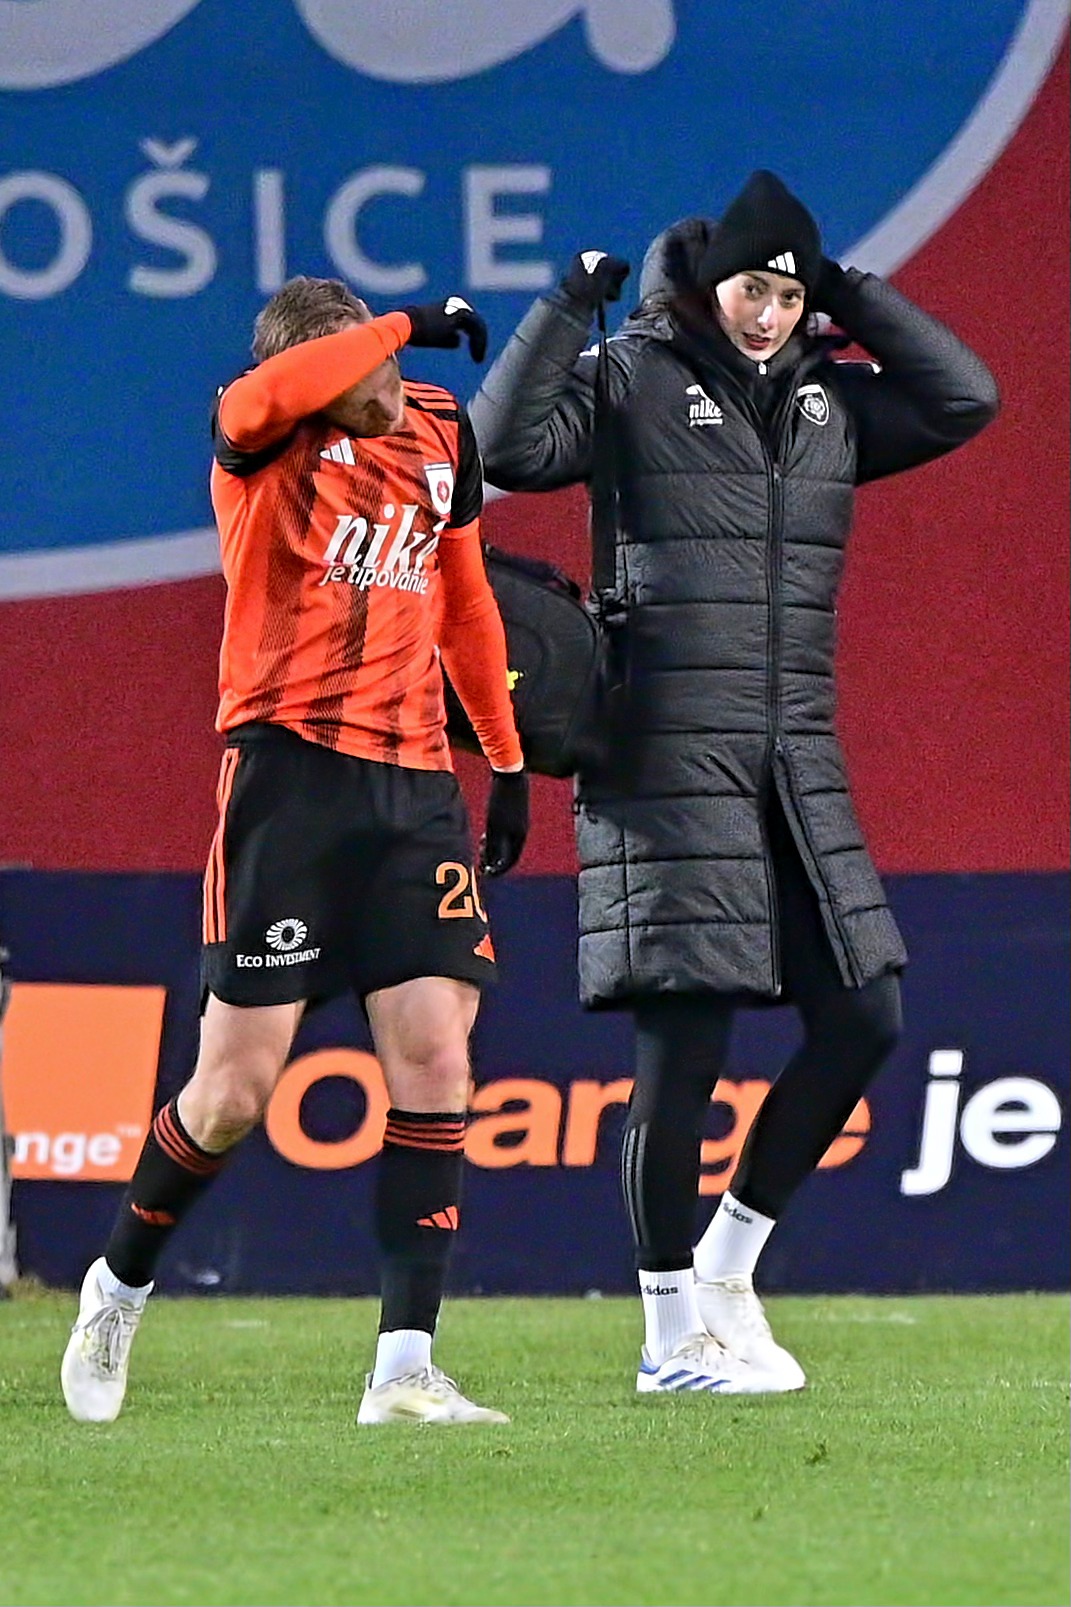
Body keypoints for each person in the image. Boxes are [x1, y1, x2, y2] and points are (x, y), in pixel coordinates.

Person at [470, 171, 999, 1395]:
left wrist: (848, 291)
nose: (767, 315)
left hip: (793, 759)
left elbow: (966, 397)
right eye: (752, 289)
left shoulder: (826, 402)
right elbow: (500, 448)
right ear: (711, 285)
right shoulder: (631, 375)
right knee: (684, 1051)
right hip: (663, 756)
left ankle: (726, 1267)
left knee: (865, 1018)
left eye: (788, 296)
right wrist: (563, 308)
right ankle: (668, 1338)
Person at [62, 277, 530, 1426]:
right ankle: (118, 1285)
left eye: (387, 366)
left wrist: (507, 757)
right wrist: (401, 322)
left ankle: (403, 1367)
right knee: (234, 1090)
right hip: (288, 782)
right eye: (358, 372)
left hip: (414, 783)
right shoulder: (259, 433)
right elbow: (275, 389)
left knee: (437, 1057)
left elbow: (464, 598)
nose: (384, 388)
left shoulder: (438, 427)